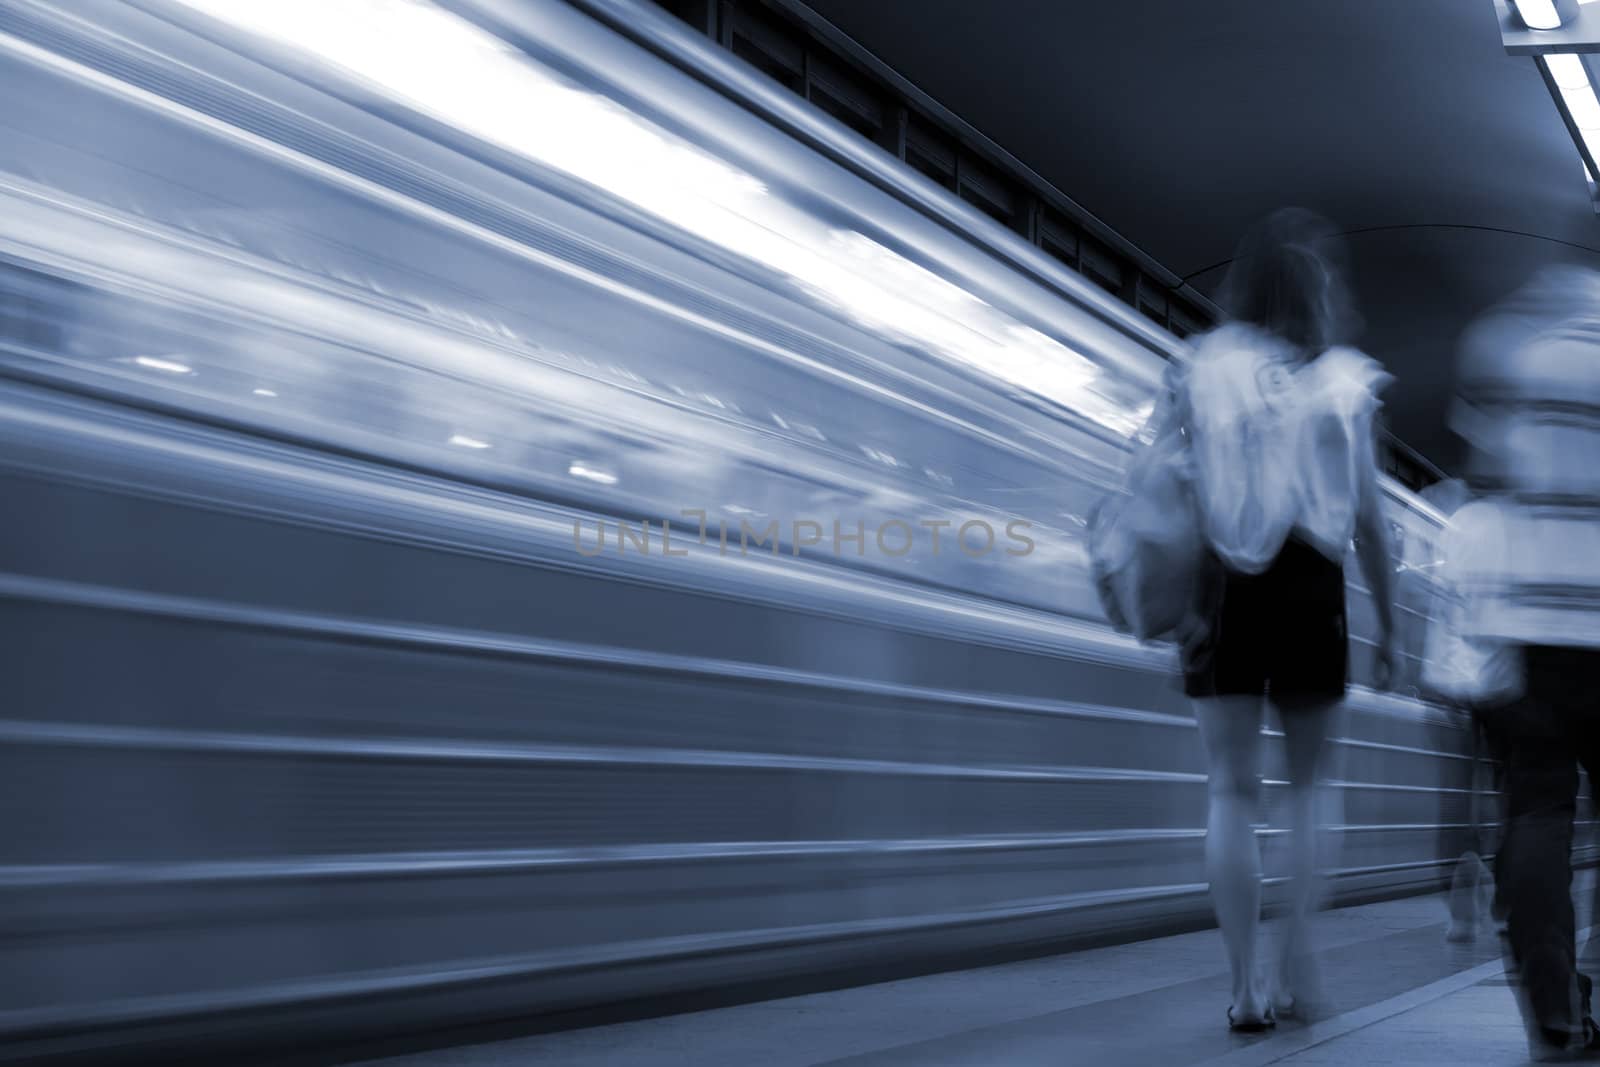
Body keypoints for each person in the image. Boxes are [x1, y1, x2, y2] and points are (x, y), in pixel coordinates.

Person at [1173, 208, 1398, 1031]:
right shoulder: (1346, 380)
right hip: (1312, 583)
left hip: (1223, 581)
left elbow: (1177, 484)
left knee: (1230, 789)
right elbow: (1372, 518)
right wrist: (1392, 630)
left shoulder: (1206, 365)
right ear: (1320, 289)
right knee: (1310, 788)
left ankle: (1242, 988)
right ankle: (1299, 963)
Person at [1453, 266, 1600, 1060]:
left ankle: (1555, 1005)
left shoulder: (1520, 339)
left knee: (1539, 813)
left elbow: (1485, 476)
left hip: (1537, 623)